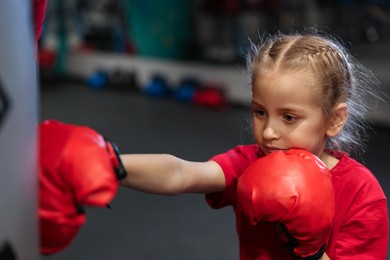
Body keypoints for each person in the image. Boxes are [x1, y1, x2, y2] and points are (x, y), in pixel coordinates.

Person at [113, 31, 388, 259]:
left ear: (334, 119)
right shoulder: (250, 162)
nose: (269, 132)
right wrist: (111, 164)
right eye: (260, 112)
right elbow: (182, 173)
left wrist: (312, 250)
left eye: (289, 117)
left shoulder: (361, 195)